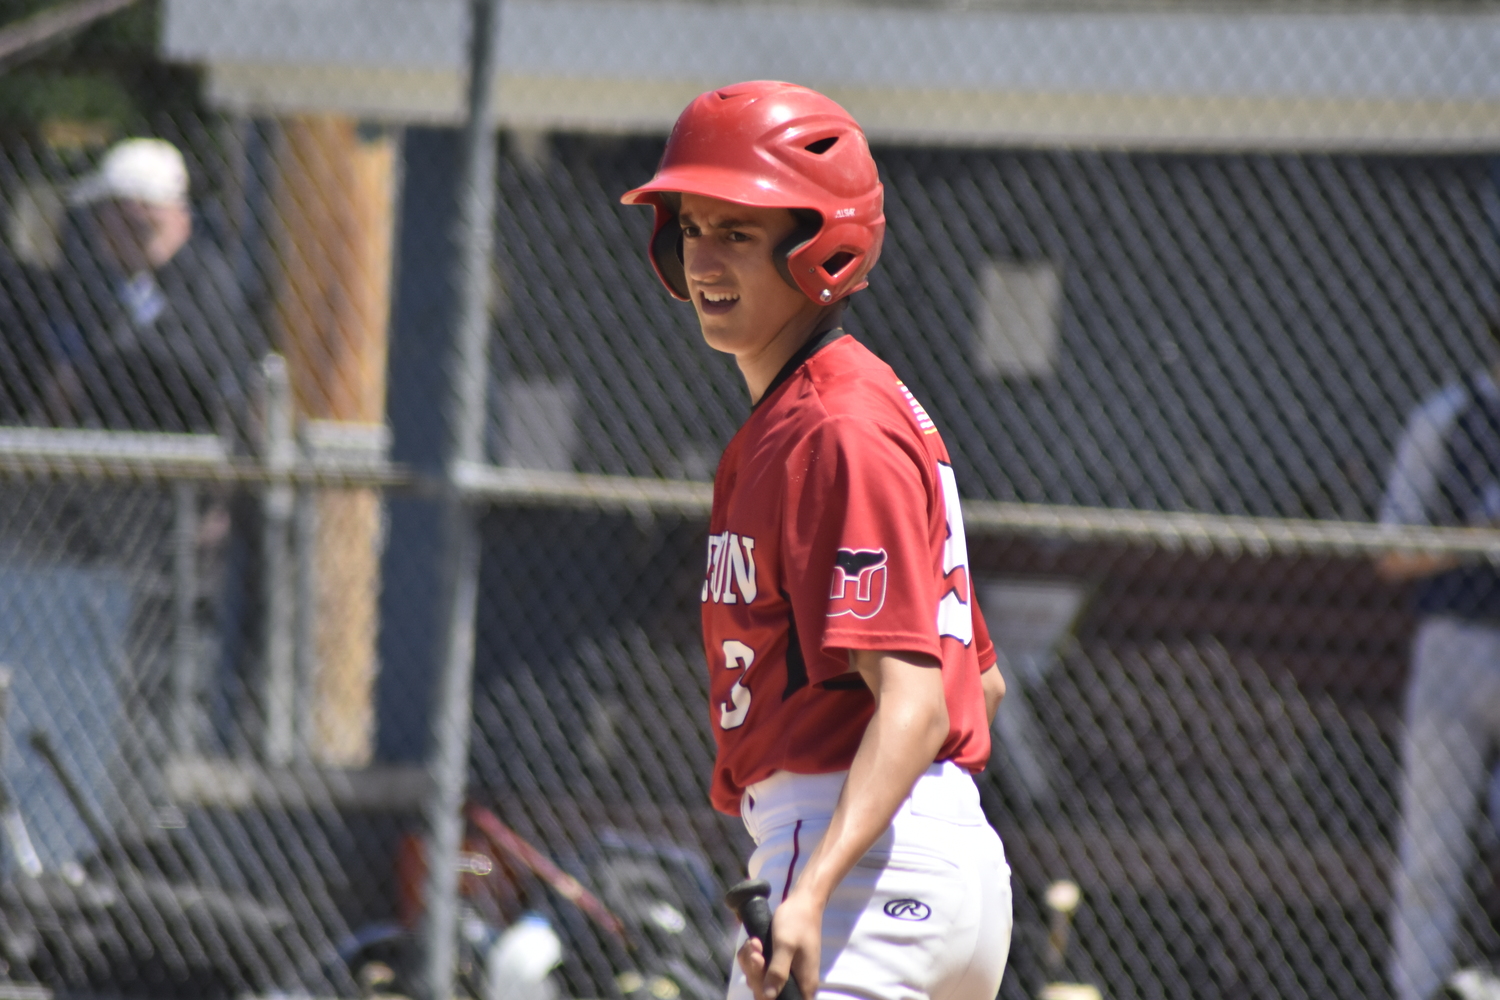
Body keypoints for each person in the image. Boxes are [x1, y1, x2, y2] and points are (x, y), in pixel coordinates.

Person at [621, 81, 1012, 1000]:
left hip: (859, 861)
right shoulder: (837, 410)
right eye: (693, 228)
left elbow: (915, 704)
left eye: (740, 232)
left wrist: (817, 885)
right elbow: (978, 681)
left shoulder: (833, 425)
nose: (705, 259)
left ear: (820, 247)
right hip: (929, 865)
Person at [1378, 324, 1500, 1000]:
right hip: (1455, 639)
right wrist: (1475, 539)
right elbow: (1392, 553)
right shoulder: (1447, 419)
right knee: (1433, 848)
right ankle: (1417, 990)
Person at [43, 137, 263, 435]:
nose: (96, 227)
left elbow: (190, 369)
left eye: (106, 213)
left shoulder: (205, 282)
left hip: (189, 450)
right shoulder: (102, 287)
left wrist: (85, 376)